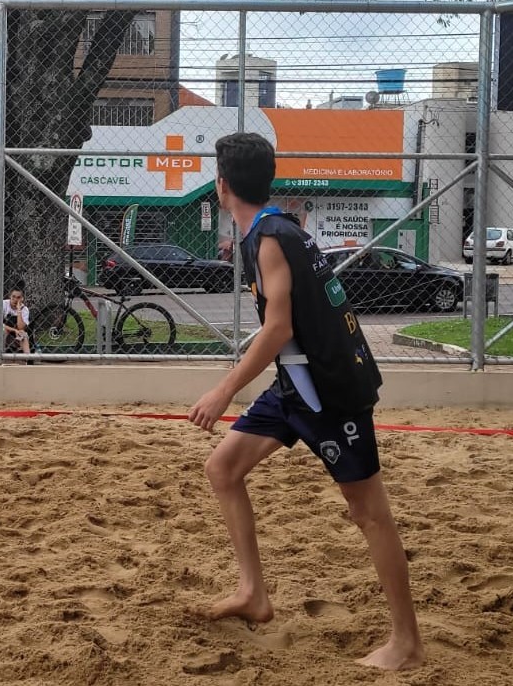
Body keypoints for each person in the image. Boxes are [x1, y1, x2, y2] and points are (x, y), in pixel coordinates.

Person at [187, 132, 423, 671]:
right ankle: (254, 593)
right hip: (297, 384)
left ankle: (407, 643)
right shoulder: (270, 229)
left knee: (369, 514)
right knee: (223, 467)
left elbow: (277, 329)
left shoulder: (270, 237)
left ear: (223, 185)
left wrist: (224, 389)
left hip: (331, 393)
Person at [1, 285, 32, 358]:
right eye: (13, 297)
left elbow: (21, 327)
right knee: (3, 331)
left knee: (23, 334)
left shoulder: (24, 309)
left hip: (17, 333)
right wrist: (14, 330)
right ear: (10, 296)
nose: (15, 299)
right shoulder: (3, 304)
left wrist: (19, 310)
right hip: (5, 330)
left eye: (18, 298)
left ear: (22, 299)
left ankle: (28, 358)